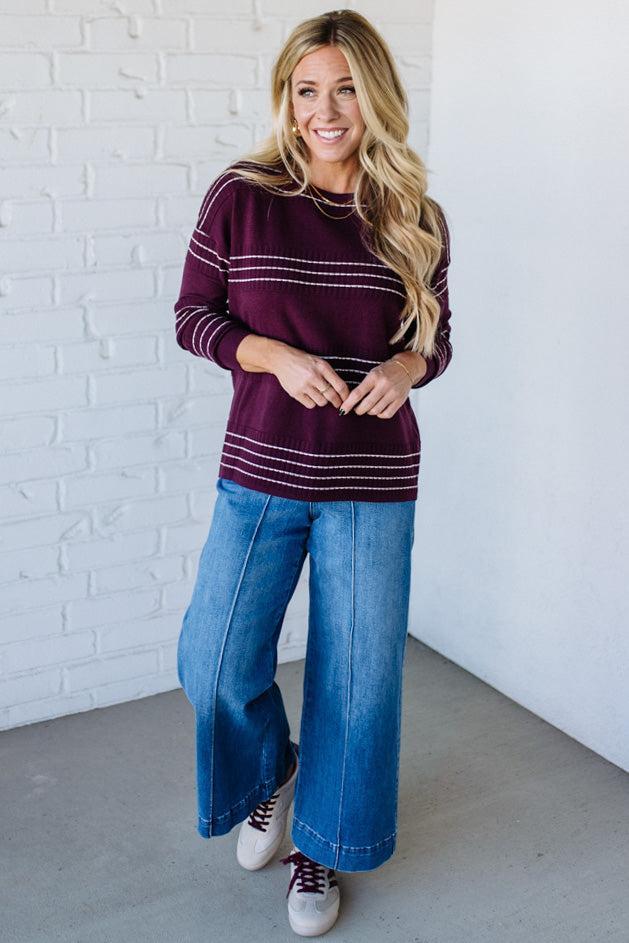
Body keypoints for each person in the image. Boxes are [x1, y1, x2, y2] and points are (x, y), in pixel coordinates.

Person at [174, 8, 453, 937]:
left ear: (376, 98)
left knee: (357, 681)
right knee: (212, 659)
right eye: (306, 91)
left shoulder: (413, 214)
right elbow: (194, 316)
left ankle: (321, 844)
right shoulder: (241, 195)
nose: (324, 112)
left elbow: (434, 340)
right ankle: (276, 770)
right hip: (261, 467)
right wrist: (271, 356)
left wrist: (404, 366)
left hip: (372, 481)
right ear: (285, 98)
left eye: (345, 90)